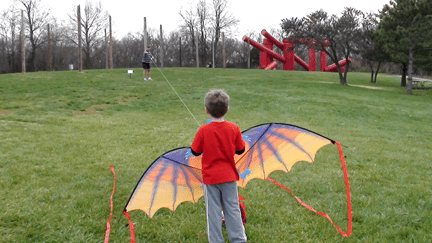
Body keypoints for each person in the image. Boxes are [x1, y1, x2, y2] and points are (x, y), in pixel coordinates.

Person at [191, 89, 247, 243]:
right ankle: (239, 240)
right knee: (233, 210)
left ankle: (216, 240)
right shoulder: (234, 128)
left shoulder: (203, 130)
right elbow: (241, 149)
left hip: (210, 179)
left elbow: (194, 151)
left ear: (206, 111)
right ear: (227, 110)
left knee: (213, 213)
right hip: (228, 177)